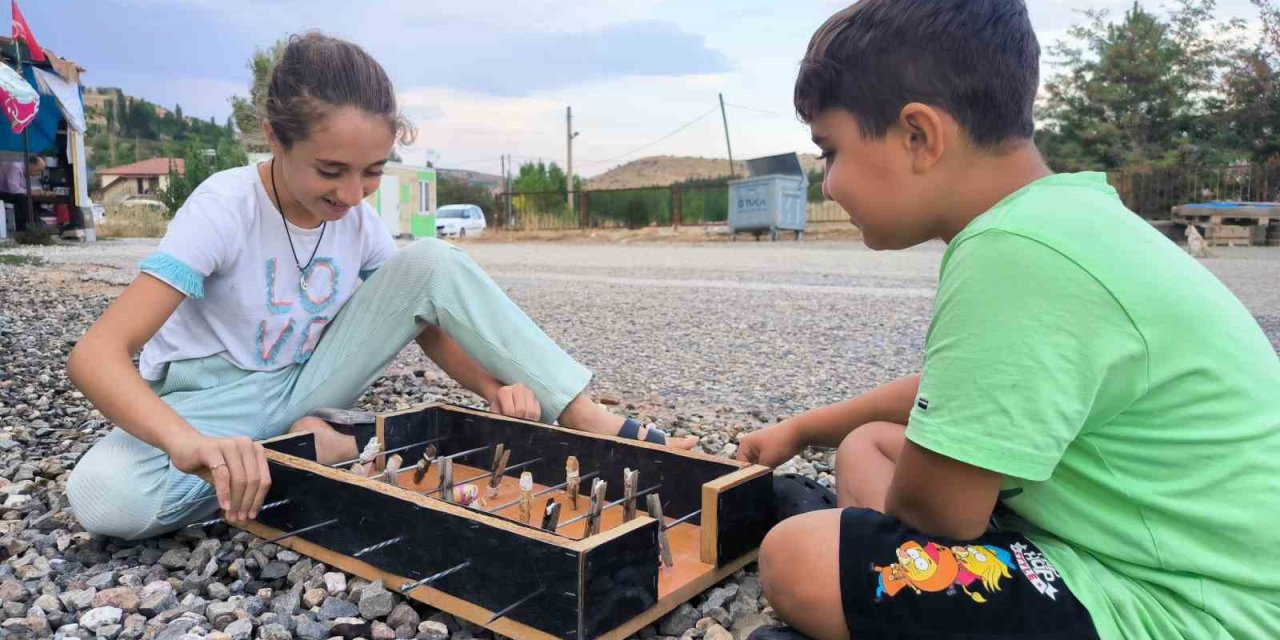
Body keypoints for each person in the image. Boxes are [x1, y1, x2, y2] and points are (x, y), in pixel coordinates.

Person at [735, 2, 1280, 639]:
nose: (828, 185)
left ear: (919, 136)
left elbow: (938, 514)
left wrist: (874, 538)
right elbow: (967, 395)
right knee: (866, 443)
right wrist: (804, 430)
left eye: (830, 151)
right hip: (1147, 549)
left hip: (1184, 606)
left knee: (797, 559)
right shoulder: (1061, 220)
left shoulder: (1012, 251)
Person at [65, 32, 693, 542]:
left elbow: (420, 308)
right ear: (275, 135)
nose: (349, 193)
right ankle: (320, 449)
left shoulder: (358, 220)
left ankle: (585, 415)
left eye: (371, 172)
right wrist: (189, 443)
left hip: (306, 380)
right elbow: (96, 356)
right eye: (330, 171)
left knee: (429, 259)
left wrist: (491, 387)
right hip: (213, 402)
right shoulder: (224, 206)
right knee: (106, 500)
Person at [0, 155, 44, 232]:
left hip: (8, 192)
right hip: (2, 192)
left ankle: (36, 224)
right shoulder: (15, 168)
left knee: (32, 199)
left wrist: (36, 192)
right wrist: (30, 192)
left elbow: (22, 189)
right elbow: (13, 189)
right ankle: (23, 228)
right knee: (21, 198)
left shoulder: (25, 172)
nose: (38, 173)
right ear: (31, 165)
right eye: (38, 170)